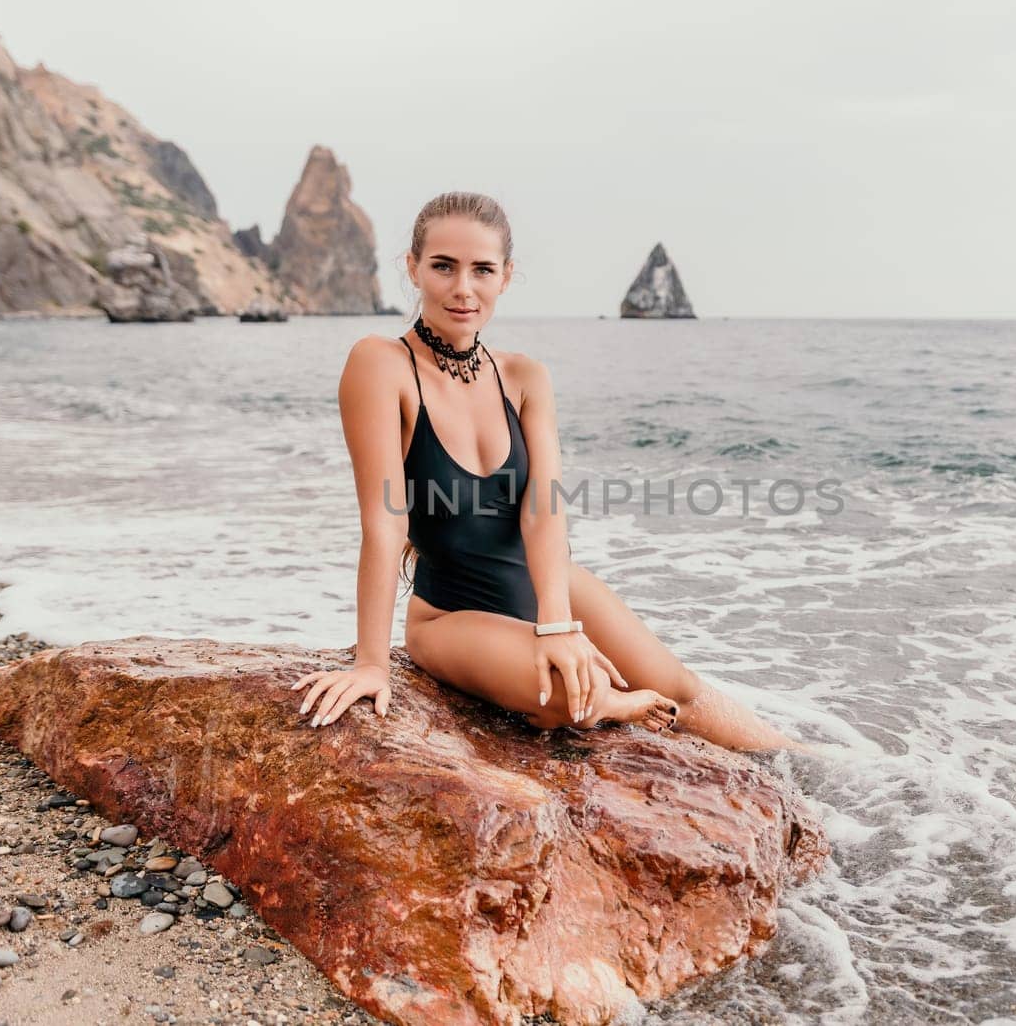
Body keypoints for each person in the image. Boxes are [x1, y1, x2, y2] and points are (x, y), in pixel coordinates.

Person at [291, 191, 797, 751]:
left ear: (506, 276)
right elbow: (385, 522)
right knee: (573, 695)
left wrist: (557, 622)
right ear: (412, 268)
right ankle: (616, 702)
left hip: (546, 584)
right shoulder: (380, 364)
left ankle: (812, 762)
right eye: (443, 266)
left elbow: (544, 506)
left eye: (482, 269)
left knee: (680, 686)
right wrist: (371, 665)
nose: (463, 288)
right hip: (450, 617)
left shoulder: (525, 376)